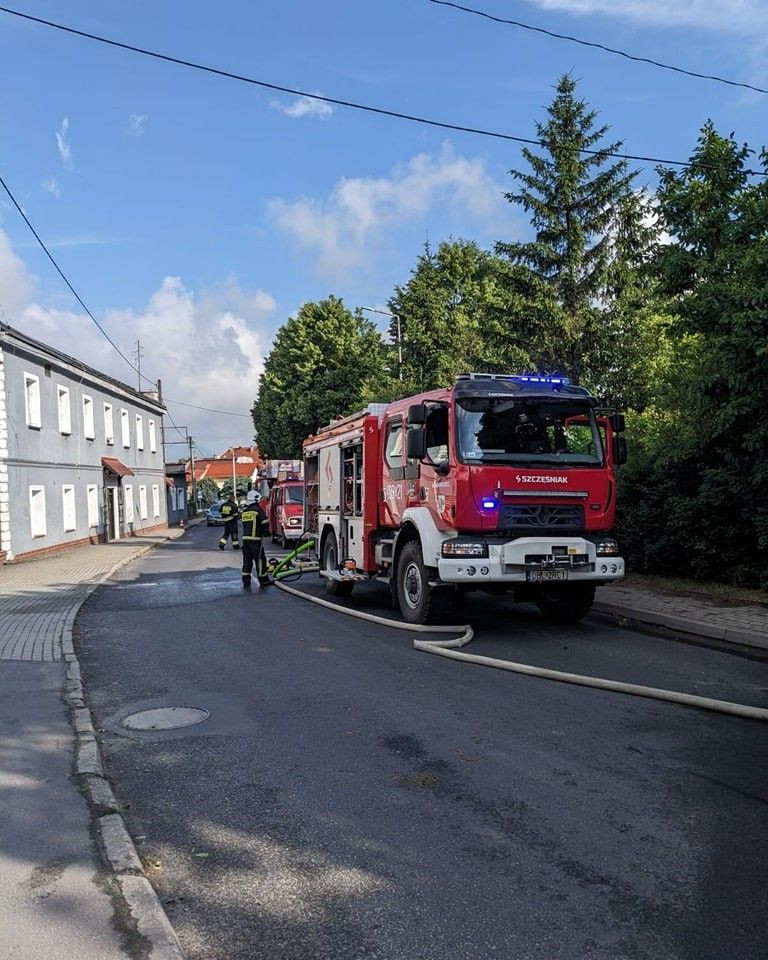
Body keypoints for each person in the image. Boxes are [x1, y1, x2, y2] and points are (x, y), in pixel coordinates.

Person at [239, 499, 270, 587]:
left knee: (247, 561)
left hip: (245, 540)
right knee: (260, 560)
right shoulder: (257, 510)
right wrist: (266, 531)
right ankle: (263, 580)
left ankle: (246, 580)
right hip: (255, 540)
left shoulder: (245, 512)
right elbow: (264, 522)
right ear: (256, 501)